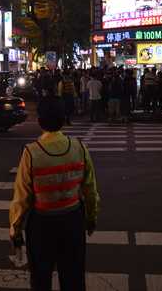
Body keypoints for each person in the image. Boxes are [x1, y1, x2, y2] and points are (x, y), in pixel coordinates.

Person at [9, 97, 100, 291]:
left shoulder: (31, 152)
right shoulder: (79, 147)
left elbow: (21, 198)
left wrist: (15, 231)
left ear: (40, 121)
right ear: (63, 119)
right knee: (73, 278)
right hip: (73, 222)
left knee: (41, 279)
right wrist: (91, 218)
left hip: (41, 226)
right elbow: (90, 189)